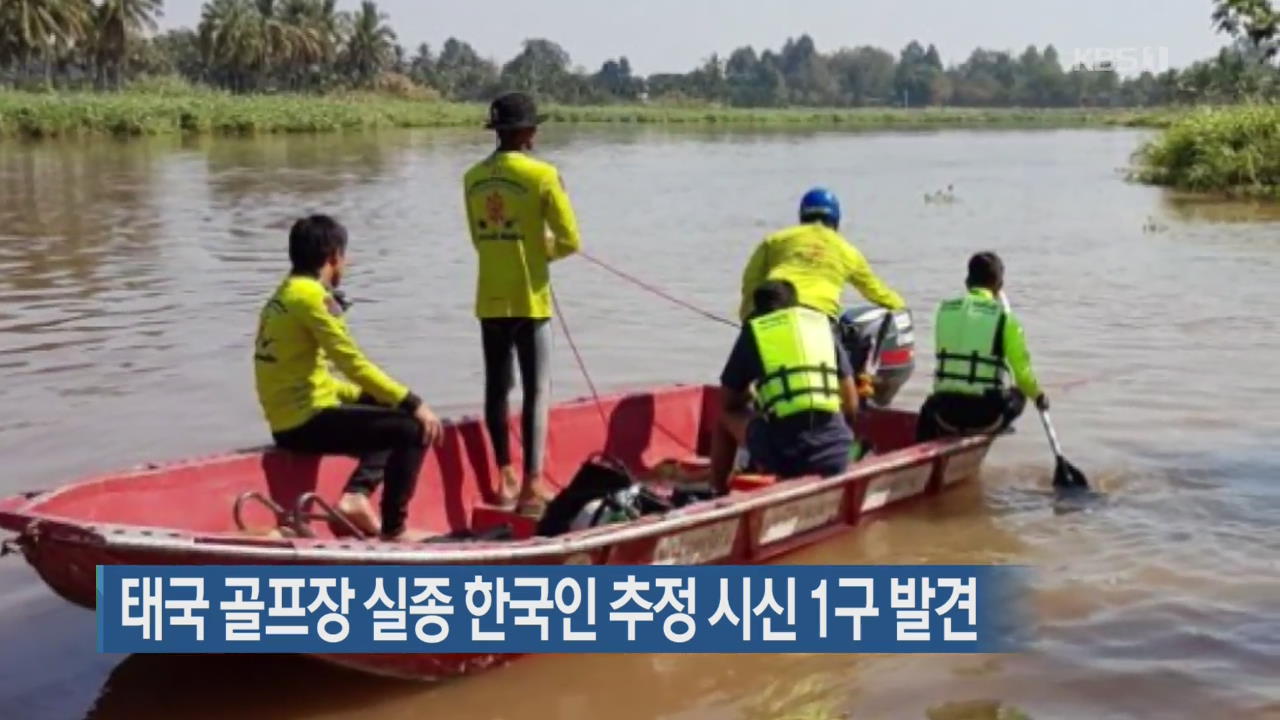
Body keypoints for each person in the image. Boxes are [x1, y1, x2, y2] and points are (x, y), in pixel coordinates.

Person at [254, 215, 443, 542]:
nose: (346, 263)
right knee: (412, 428)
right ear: (332, 258)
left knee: (385, 405)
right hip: (302, 423)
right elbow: (352, 363)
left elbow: (316, 375)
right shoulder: (314, 298)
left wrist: (373, 397)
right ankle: (391, 526)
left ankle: (356, 498)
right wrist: (413, 401)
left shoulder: (282, 296)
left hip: (291, 415)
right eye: (344, 256)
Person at [463, 91, 582, 515]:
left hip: (489, 299)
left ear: (497, 132)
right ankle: (533, 484)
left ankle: (504, 476)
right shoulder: (544, 176)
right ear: (529, 132)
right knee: (537, 389)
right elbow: (570, 241)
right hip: (530, 301)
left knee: (497, 389)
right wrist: (539, 251)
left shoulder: (472, 177)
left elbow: (480, 239)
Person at [710, 280, 862, 493]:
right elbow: (851, 405)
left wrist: (752, 394)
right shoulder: (822, 329)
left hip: (787, 458)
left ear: (756, 310)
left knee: (725, 417)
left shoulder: (755, 332)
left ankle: (718, 494)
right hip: (838, 452)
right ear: (795, 307)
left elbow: (728, 402)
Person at [916, 251, 1048, 442]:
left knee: (928, 406)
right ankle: (996, 429)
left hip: (944, 412)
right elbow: (1023, 375)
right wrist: (1039, 396)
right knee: (1018, 393)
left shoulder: (943, 310)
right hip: (986, 416)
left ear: (967, 282)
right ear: (999, 286)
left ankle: (925, 455)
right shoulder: (1005, 319)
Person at [738, 187, 907, 322]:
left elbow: (751, 282)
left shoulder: (775, 240)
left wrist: (748, 320)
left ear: (802, 216)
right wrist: (901, 308)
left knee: (740, 365)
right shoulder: (847, 250)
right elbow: (876, 292)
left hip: (772, 313)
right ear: (836, 220)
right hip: (821, 318)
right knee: (842, 365)